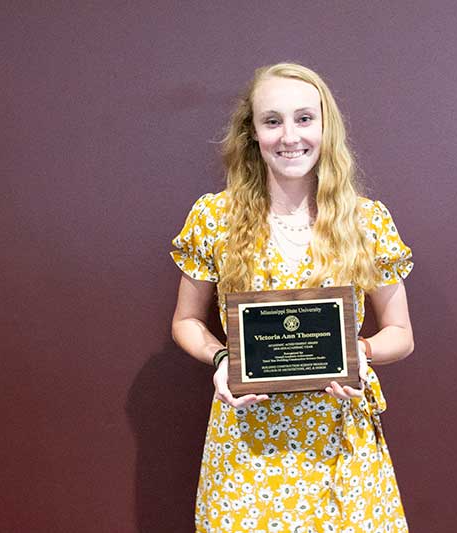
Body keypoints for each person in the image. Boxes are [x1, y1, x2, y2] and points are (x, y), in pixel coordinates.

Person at [171, 62, 414, 533]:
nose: (290, 136)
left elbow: (401, 335)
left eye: (304, 119)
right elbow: (185, 322)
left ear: (325, 127)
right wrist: (222, 358)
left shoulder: (367, 222)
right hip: (245, 452)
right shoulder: (213, 218)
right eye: (272, 121)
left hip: (341, 450)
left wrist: (360, 354)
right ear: (253, 134)